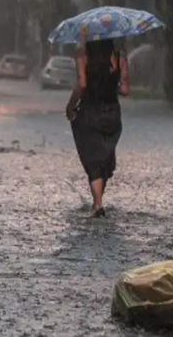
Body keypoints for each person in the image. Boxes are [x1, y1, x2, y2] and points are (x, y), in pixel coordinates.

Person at [65, 32, 130, 218]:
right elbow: (125, 90)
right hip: (112, 114)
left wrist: (70, 107)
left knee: (92, 158)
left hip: (89, 112)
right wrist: (110, 84)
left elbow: (82, 85)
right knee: (104, 158)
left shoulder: (82, 57)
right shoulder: (119, 58)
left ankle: (97, 204)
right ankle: (99, 200)